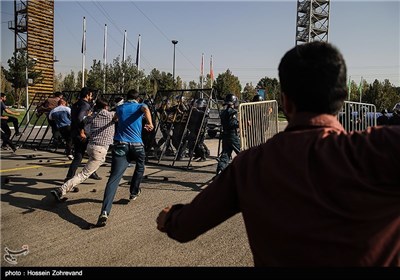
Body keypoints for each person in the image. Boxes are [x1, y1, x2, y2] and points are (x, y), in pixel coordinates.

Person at [156, 42, 400, 266]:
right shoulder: (381, 148)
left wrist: (170, 218)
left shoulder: (250, 166)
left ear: (285, 101)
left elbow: (186, 226)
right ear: (343, 97)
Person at [95, 89, 154, 227]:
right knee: (140, 167)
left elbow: (115, 118)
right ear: (138, 98)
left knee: (114, 178)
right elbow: (146, 109)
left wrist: (117, 119)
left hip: (121, 146)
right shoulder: (140, 106)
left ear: (127, 98)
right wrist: (150, 123)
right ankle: (134, 191)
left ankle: (104, 211)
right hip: (137, 146)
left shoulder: (120, 107)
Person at [51, 99, 116, 201]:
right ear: (106, 107)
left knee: (89, 166)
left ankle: (89, 174)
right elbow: (119, 114)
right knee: (84, 174)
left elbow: (81, 123)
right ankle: (61, 190)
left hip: (91, 146)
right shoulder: (110, 115)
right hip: (100, 148)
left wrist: (82, 132)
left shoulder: (92, 115)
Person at [64, 87, 102, 183]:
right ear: (87, 95)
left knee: (79, 156)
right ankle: (73, 176)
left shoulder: (76, 104)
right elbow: (80, 119)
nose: (91, 97)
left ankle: (70, 175)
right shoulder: (85, 105)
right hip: (83, 133)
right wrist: (90, 117)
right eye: (90, 95)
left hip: (75, 132)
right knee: (89, 156)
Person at [216, 93, 240, 175]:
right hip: (232, 135)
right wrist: (242, 124)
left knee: (225, 155)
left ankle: (220, 170)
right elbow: (232, 124)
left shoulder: (223, 112)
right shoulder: (232, 112)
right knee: (242, 154)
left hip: (225, 136)